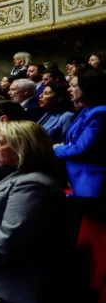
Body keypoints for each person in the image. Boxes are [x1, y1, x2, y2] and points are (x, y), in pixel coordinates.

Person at [0, 121, 76, 303]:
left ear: (21, 147)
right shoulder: (20, 176)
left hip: (19, 294)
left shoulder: (34, 184)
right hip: (0, 280)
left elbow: (10, 242)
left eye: (0, 143)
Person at [55, 68, 106, 203]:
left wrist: (57, 149)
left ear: (87, 88)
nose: (69, 89)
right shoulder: (86, 109)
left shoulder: (100, 114)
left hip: (91, 185)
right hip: (77, 181)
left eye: (73, 86)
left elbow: (80, 149)